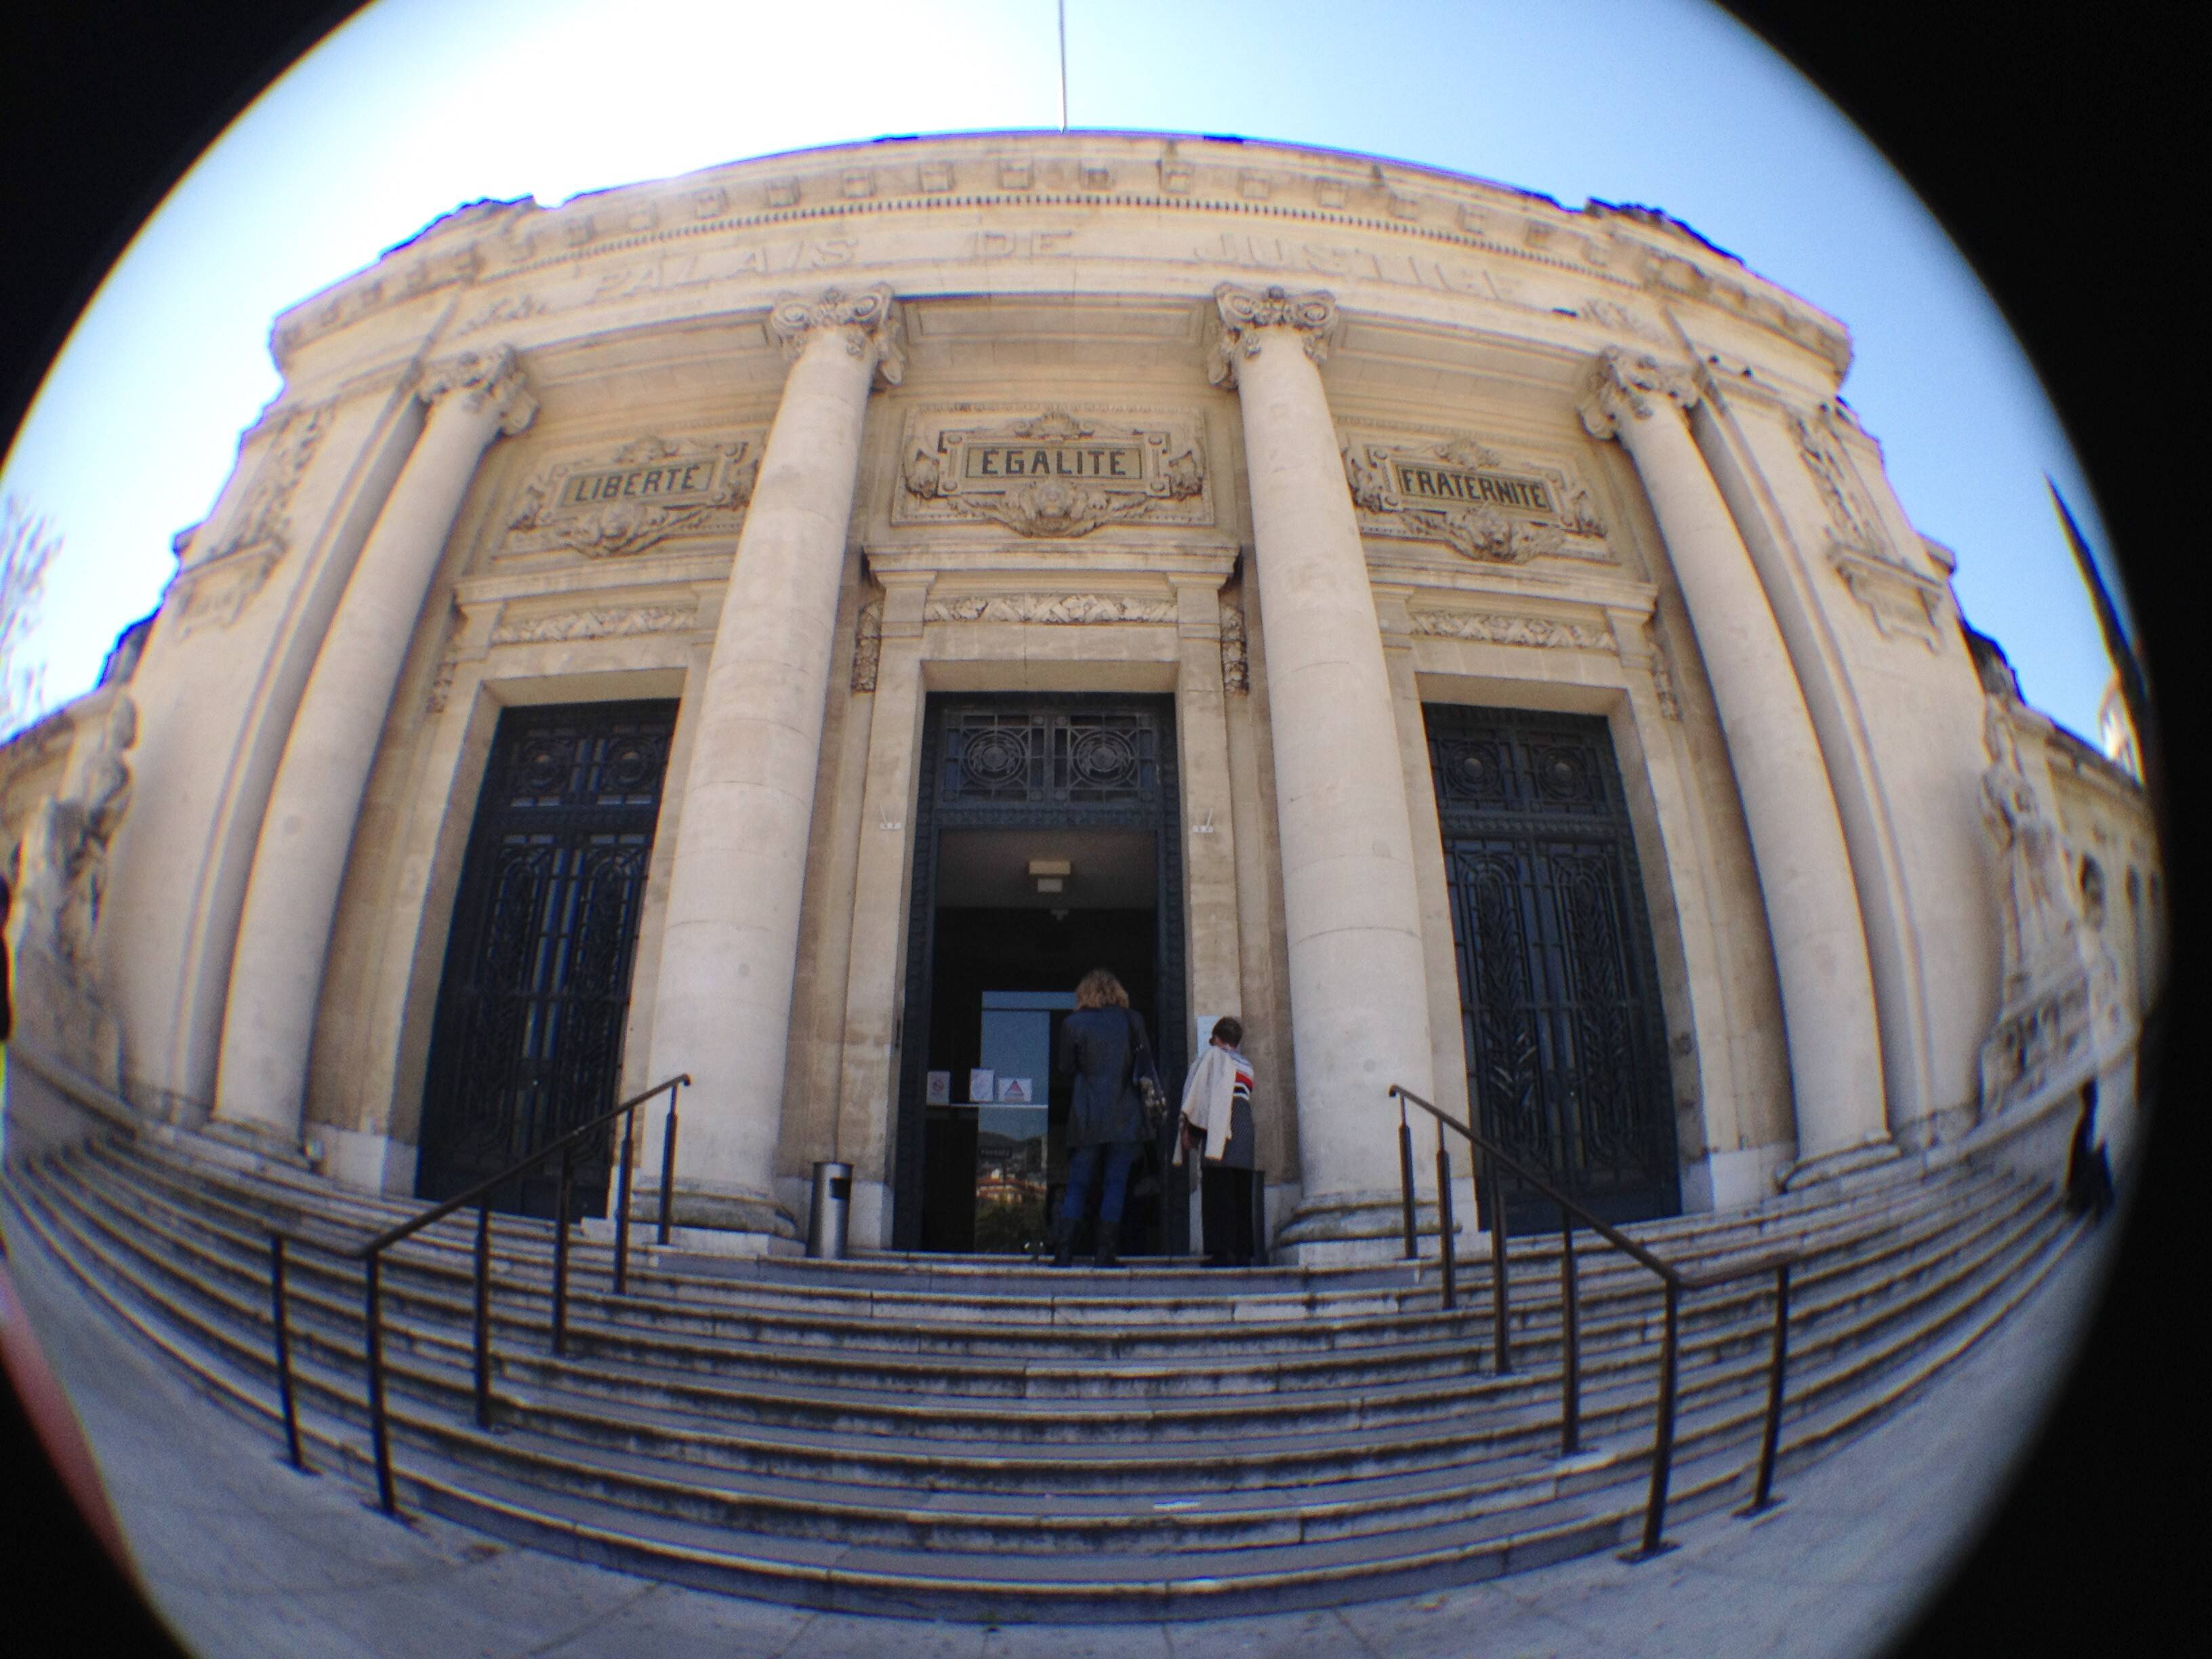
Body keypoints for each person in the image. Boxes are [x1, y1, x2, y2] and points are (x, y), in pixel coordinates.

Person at [1051, 968, 1152, 1268]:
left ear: (1084, 993)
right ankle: (1105, 1253)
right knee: (1116, 1183)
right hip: (1126, 1114)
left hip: (1087, 1114)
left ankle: (1064, 1252)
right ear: (1117, 992)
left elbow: (1065, 1068)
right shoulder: (1133, 1021)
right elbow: (1144, 1063)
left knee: (1077, 1183)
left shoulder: (1073, 1024)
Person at [1178, 1015, 1258, 1267]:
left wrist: (1190, 1130)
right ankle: (1244, 1252)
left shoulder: (1213, 1059)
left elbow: (1202, 1099)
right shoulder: (1247, 1065)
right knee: (1241, 1191)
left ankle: (1221, 1252)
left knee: (1217, 1192)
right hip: (1244, 1126)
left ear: (1216, 1038)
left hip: (1220, 1127)